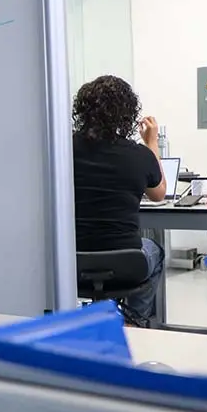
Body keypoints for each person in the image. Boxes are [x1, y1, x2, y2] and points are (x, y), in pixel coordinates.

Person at [72, 75, 167, 323]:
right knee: (155, 250)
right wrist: (152, 143)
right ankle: (133, 321)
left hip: (73, 259)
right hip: (126, 261)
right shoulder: (138, 155)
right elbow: (159, 194)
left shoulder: (63, 148)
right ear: (126, 113)